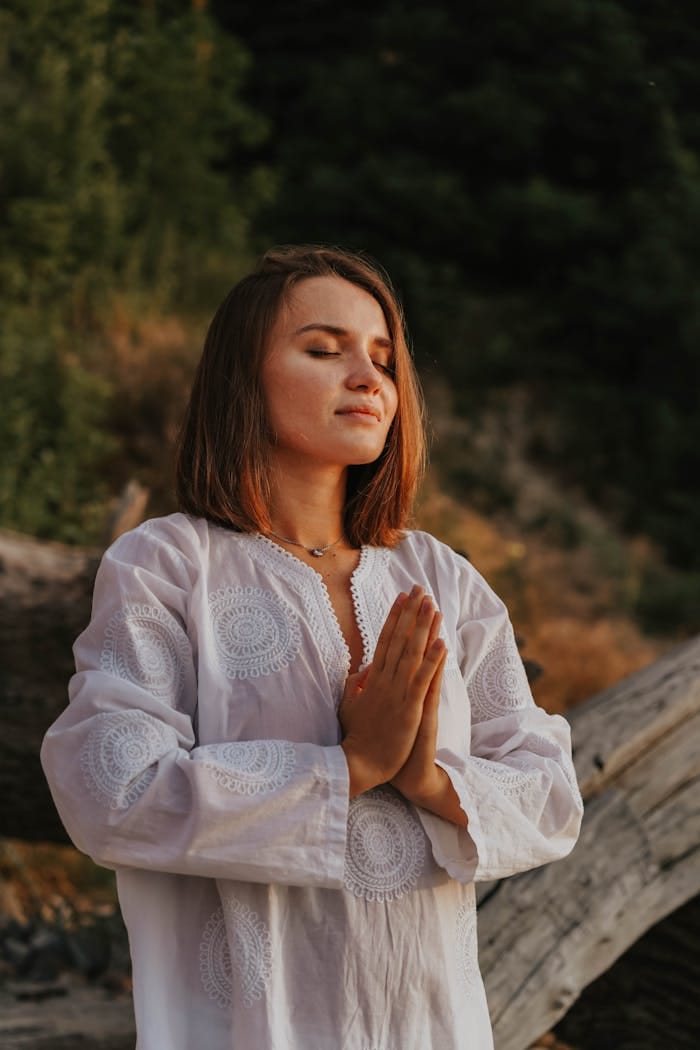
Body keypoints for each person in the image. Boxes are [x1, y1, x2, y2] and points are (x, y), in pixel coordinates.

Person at [41, 245, 583, 1050]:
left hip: (431, 1022)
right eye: (323, 350)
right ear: (242, 380)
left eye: (382, 357)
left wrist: (425, 776)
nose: (367, 376)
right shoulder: (168, 565)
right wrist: (351, 768)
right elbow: (109, 787)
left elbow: (550, 795)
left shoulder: (443, 578)